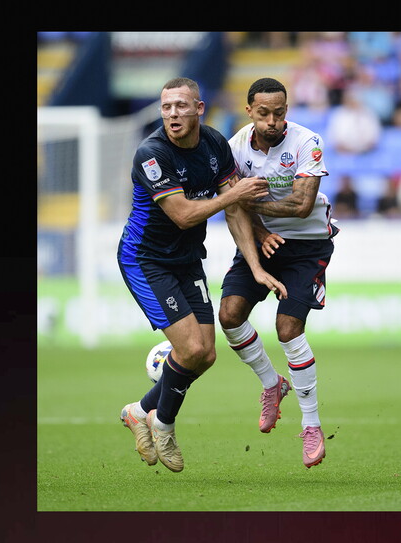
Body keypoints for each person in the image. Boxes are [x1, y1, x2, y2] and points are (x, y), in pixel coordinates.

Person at [117, 77, 288, 473]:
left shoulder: (213, 143)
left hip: (188, 259)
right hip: (147, 260)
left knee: (206, 354)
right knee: (192, 349)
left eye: (181, 106)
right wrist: (235, 193)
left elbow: (235, 209)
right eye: (166, 107)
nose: (172, 114)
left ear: (199, 108)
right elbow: (183, 215)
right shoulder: (151, 154)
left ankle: (137, 411)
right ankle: (163, 423)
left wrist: (256, 266)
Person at [219, 77, 338, 468]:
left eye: (279, 113)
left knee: (288, 329)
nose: (272, 121)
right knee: (229, 315)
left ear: (287, 110)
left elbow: (301, 206)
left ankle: (311, 425)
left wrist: (247, 200)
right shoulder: (235, 147)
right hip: (261, 242)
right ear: (249, 110)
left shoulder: (307, 143)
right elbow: (231, 207)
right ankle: (272, 384)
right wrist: (258, 230)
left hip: (307, 247)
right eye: (264, 113)